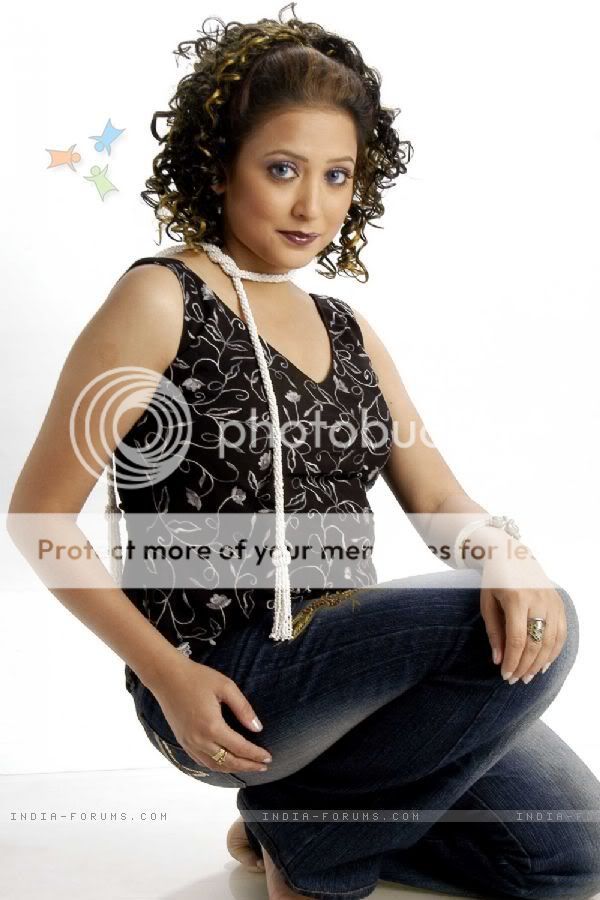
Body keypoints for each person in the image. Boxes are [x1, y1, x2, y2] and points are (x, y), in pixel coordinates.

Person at [8, 4, 600, 899]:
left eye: (337, 175)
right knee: (546, 622)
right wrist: (165, 674)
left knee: (566, 856)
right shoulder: (161, 299)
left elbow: (437, 498)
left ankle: (297, 822)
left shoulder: (347, 328)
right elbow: (39, 515)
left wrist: (505, 550)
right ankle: (322, 852)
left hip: (354, 679)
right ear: (219, 164)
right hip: (226, 680)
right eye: (282, 169)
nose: (310, 205)